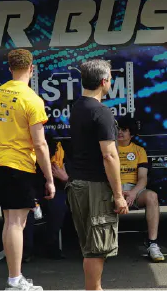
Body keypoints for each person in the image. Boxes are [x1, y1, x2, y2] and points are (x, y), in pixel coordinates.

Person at [0, 48, 55, 291]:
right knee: (16, 223)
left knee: (10, 222)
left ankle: (15, 277)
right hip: (19, 164)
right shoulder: (32, 99)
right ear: (31, 68)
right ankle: (15, 281)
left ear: (9, 68)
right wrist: (49, 178)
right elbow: (40, 143)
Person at [65, 59, 131, 291]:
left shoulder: (78, 107)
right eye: (110, 79)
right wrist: (119, 195)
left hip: (78, 185)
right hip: (95, 188)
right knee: (97, 248)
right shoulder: (101, 112)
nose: (111, 83)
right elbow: (109, 156)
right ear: (103, 82)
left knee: (89, 245)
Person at [115, 117, 165, 261]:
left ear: (131, 134)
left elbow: (143, 178)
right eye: (118, 129)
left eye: (124, 130)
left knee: (152, 197)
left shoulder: (139, 150)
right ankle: (101, 246)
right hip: (111, 189)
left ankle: (153, 244)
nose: (120, 133)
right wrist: (117, 193)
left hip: (133, 189)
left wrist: (132, 193)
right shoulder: (108, 148)